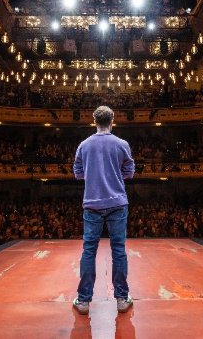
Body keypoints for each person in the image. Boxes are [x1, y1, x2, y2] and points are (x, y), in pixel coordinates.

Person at [72, 106, 135, 315]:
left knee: (89, 250)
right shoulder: (122, 144)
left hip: (92, 204)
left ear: (94, 121)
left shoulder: (84, 145)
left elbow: (78, 173)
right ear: (112, 121)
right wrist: (113, 176)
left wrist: (94, 175)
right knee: (118, 250)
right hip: (117, 203)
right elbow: (130, 172)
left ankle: (83, 301)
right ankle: (122, 299)